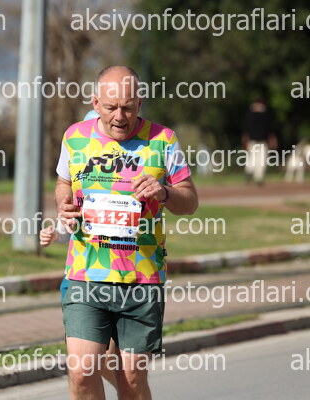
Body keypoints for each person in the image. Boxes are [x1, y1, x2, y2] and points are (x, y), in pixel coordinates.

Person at [55, 66, 198, 400]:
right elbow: (63, 182)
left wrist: (164, 192)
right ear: (95, 102)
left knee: (131, 379)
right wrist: (63, 203)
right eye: (110, 107)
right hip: (86, 272)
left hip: (141, 277)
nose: (120, 117)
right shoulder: (75, 137)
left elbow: (190, 201)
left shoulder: (163, 140)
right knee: (82, 372)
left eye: (128, 108)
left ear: (140, 104)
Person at [242, 97, 277, 185]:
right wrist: (272, 139)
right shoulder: (265, 114)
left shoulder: (250, 114)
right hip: (259, 141)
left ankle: (252, 174)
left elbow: (246, 129)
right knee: (259, 159)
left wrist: (245, 139)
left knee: (254, 159)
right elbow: (269, 129)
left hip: (256, 141)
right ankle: (257, 177)